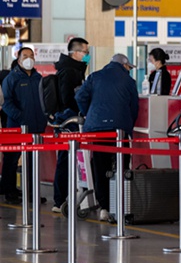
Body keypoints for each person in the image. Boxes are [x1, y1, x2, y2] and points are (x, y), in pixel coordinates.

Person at [75, 54, 139, 221]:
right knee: (122, 166)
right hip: (120, 130)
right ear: (124, 65)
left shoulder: (94, 76)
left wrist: (90, 113)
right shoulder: (129, 81)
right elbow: (134, 107)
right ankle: (121, 206)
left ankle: (104, 207)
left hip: (98, 129)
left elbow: (80, 97)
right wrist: (128, 124)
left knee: (100, 166)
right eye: (128, 67)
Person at [0, 47, 48, 204]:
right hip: (16, 126)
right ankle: (9, 191)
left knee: (33, 160)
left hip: (36, 126)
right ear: (19, 59)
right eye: (25, 55)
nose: (29, 58)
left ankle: (32, 192)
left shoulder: (38, 78)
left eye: (31, 55)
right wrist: (21, 117)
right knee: (12, 159)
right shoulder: (12, 78)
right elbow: (6, 103)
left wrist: (44, 117)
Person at [52, 37, 91, 212]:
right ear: (75, 52)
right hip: (69, 119)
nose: (87, 55)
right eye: (85, 52)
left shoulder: (75, 69)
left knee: (72, 159)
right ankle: (59, 199)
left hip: (72, 118)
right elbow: (68, 98)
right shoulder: (69, 71)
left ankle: (68, 196)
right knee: (65, 158)